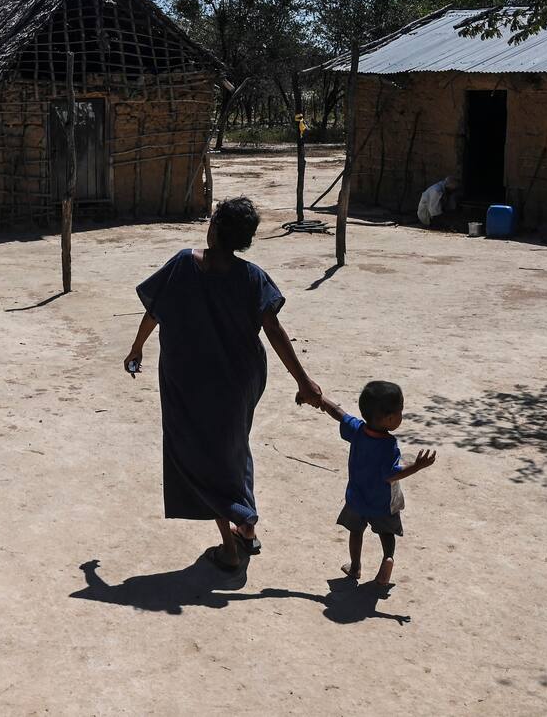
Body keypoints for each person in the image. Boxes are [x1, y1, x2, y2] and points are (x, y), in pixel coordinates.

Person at [125, 197, 322, 572]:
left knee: (203, 456)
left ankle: (230, 549)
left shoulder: (185, 263)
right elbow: (274, 330)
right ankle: (246, 525)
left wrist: (136, 348)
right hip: (239, 382)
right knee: (233, 447)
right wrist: (303, 380)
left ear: (213, 228)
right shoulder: (252, 277)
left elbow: (154, 311)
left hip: (191, 381)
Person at [303, 381, 436, 587]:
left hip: (356, 499)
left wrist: (320, 399)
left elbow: (338, 412)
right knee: (387, 532)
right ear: (390, 418)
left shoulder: (357, 430)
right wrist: (417, 466)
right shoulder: (388, 445)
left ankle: (355, 567)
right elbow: (391, 475)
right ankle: (388, 558)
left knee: (356, 533)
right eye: (401, 411)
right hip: (381, 503)